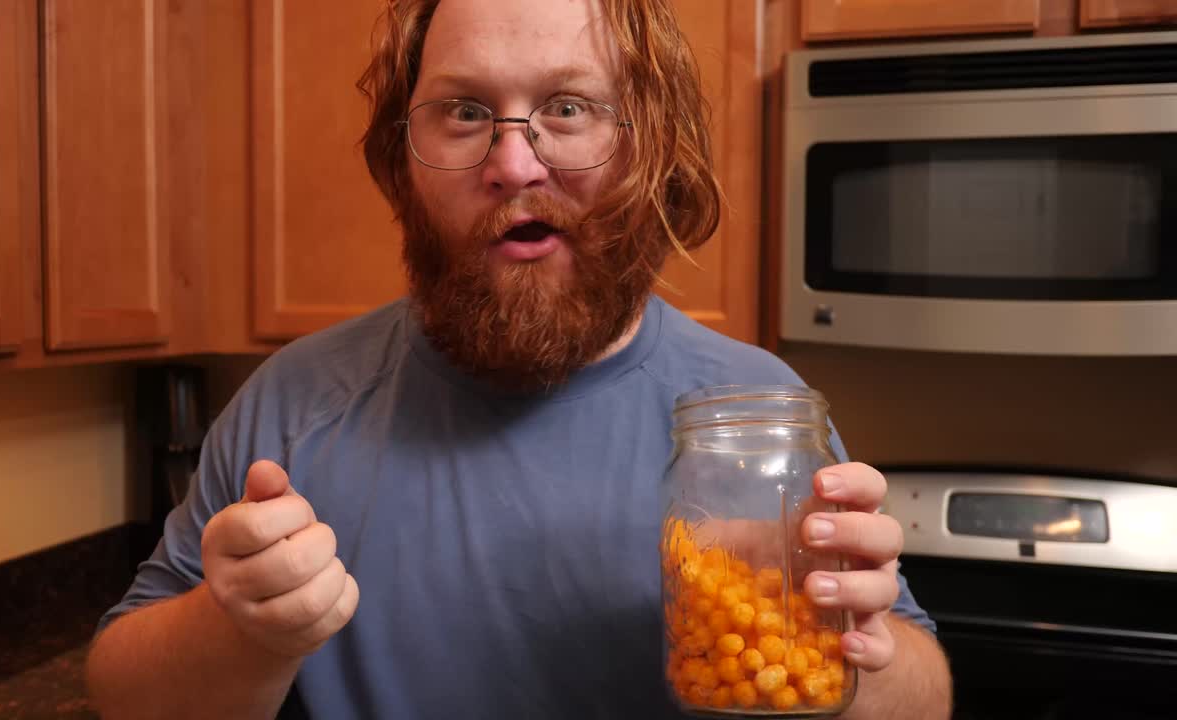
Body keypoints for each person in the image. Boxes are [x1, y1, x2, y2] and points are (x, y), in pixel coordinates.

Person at [85, 0, 952, 718]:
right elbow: (121, 686)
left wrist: (852, 660)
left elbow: (926, 695)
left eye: (568, 107)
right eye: (464, 111)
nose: (512, 162)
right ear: (403, 157)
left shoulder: (754, 414)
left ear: (651, 143)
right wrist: (240, 631)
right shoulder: (295, 406)